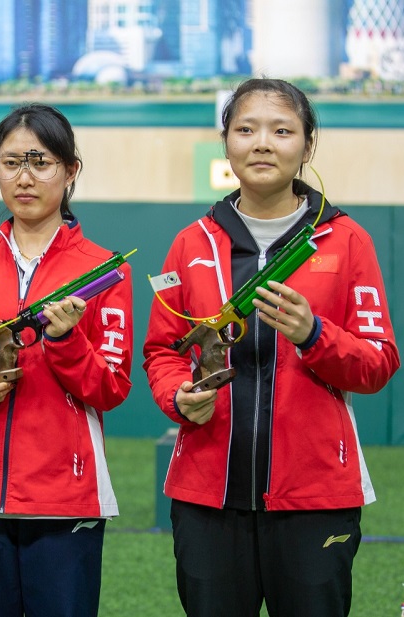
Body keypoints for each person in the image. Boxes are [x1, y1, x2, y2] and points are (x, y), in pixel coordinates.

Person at [143, 78, 399, 617]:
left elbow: (377, 362)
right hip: (207, 497)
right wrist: (178, 397)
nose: (262, 143)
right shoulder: (192, 243)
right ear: (226, 143)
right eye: (246, 129)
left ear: (307, 147)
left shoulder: (347, 240)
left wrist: (315, 335)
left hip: (315, 500)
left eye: (282, 130)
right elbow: (162, 351)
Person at [0, 103, 133, 617]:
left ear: (70, 170)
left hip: (66, 497)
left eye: (41, 161)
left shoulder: (102, 271)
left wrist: (65, 343)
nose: (25, 177)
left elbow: (111, 388)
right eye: (10, 163)